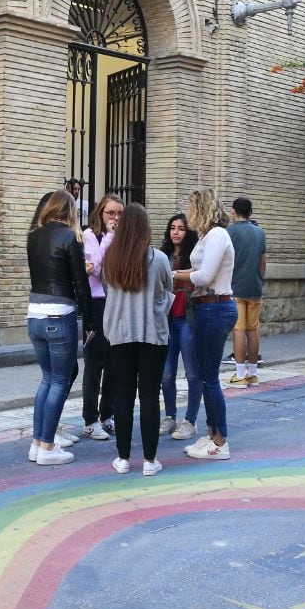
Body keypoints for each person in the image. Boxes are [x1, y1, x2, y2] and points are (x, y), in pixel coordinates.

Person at [102, 203, 172, 476]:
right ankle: (149, 460)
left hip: (119, 333)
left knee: (123, 395)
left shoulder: (110, 258)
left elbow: (108, 288)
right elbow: (167, 289)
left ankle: (122, 458)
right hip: (152, 333)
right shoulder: (159, 258)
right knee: (149, 396)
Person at [25, 190, 90, 466]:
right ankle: (48, 447)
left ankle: (38, 443)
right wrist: (91, 320)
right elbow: (79, 282)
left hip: (34, 313)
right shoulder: (71, 237)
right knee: (59, 381)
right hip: (59, 313)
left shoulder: (34, 235)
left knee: (47, 379)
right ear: (69, 210)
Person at [172, 188, 236, 460]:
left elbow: (205, 275)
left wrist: (173, 274)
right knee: (204, 374)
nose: (187, 213)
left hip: (215, 307)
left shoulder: (218, 235)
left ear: (201, 209)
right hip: (205, 308)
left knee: (208, 377)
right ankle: (212, 434)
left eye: (190, 207)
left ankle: (220, 442)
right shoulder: (208, 236)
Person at [80, 195, 122, 441]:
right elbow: (94, 268)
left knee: (114, 363)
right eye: (110, 213)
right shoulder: (90, 236)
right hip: (96, 304)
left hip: (117, 303)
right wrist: (109, 238)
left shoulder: (122, 239)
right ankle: (90, 419)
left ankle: (108, 414)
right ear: (100, 214)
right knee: (94, 363)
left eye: (119, 214)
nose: (115, 218)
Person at [161, 213, 201, 442]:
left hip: (187, 318)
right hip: (166, 320)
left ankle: (190, 420)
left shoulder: (195, 257)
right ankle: (169, 416)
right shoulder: (162, 255)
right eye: (172, 228)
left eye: (181, 228)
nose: (175, 232)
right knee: (166, 373)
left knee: (192, 372)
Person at [226, 197, 267, 388]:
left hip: (236, 288)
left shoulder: (229, 232)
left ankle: (240, 374)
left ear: (234, 211)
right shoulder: (260, 232)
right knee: (253, 330)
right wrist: (260, 280)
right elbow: (262, 261)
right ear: (251, 212)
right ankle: (253, 374)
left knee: (239, 330)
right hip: (255, 287)